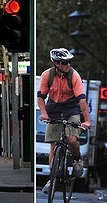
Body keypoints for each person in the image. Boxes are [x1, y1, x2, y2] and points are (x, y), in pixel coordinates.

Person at [37, 48, 91, 194]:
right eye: (64, 62)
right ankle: (52, 179)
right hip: (53, 107)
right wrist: (44, 113)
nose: (68, 64)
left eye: (69, 61)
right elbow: (41, 97)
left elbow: (82, 100)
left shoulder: (74, 76)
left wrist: (86, 120)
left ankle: (77, 160)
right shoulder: (46, 75)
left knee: (72, 139)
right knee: (53, 146)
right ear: (56, 63)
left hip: (71, 107)